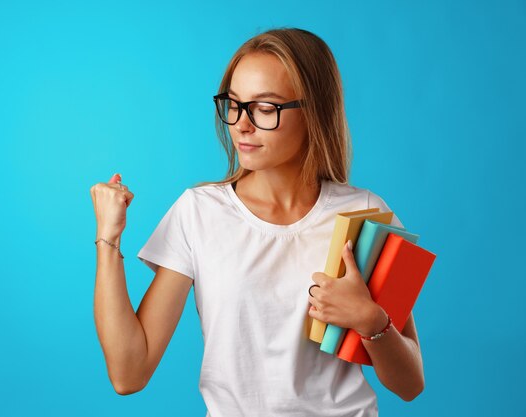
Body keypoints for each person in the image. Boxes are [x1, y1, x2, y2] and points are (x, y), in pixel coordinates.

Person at [90, 27, 424, 417]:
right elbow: (129, 374)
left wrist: (371, 320)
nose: (241, 125)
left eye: (265, 108)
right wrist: (108, 239)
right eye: (232, 104)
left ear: (315, 110)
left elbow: (410, 384)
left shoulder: (367, 211)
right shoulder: (198, 211)